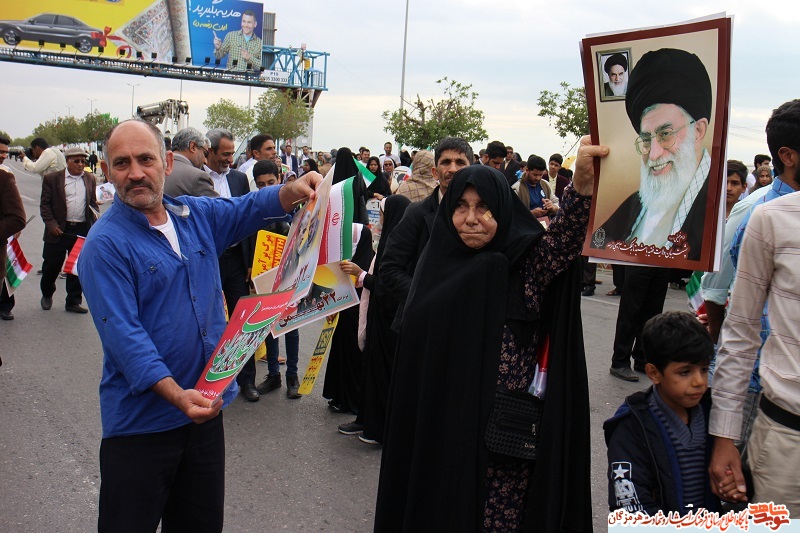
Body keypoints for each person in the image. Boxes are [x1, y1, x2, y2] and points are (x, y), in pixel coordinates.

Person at [78, 119, 320, 532]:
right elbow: (125, 338)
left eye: (146, 159)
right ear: (106, 171)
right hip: (142, 427)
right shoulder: (104, 245)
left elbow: (248, 208)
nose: (135, 173)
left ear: (168, 163)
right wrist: (177, 395)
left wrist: (291, 190)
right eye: (121, 163)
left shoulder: (194, 216)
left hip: (203, 415)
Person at [375, 138, 605, 531]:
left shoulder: (524, 266)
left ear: (502, 208)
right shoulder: (435, 270)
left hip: (502, 443)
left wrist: (581, 187)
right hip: (443, 436)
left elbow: (564, 243)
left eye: (483, 207)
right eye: (461, 207)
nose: (471, 218)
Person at [709, 99, 800, 513]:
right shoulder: (762, 215)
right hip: (780, 425)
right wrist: (724, 434)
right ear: (788, 155)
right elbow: (736, 320)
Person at [591, 48, 713, 262]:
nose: (654, 154)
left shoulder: (716, 207)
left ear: (698, 131)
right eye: (646, 139)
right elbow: (596, 247)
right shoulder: (637, 203)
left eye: (665, 134)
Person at [604, 311, 723, 515]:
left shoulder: (712, 411)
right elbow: (630, 503)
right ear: (654, 373)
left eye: (704, 369)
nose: (699, 382)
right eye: (685, 372)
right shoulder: (632, 426)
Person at [335, 195, 412, 442]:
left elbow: (391, 288)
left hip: (389, 322)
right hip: (378, 317)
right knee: (371, 369)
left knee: (382, 374)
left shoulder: (401, 247)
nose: (381, 220)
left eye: (383, 215)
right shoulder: (391, 241)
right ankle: (367, 421)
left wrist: (362, 276)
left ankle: (378, 428)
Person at [380, 137, 473, 332]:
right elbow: (389, 268)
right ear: (435, 172)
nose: (453, 169)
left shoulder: (482, 216)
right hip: (420, 323)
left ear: (472, 169)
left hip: (466, 323)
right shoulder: (417, 214)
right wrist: (427, 298)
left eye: (460, 162)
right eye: (446, 162)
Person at [204, 128, 260, 401]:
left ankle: (246, 380)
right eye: (225, 154)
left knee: (242, 321)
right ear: (209, 152)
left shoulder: (238, 179)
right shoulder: (197, 178)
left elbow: (248, 217)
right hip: (209, 260)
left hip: (237, 259)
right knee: (209, 319)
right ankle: (210, 381)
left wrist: (249, 261)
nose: (230, 159)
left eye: (231, 154)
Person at [322, 150, 373, 414]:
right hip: (355, 291)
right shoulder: (363, 229)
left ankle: (339, 394)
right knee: (352, 344)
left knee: (342, 343)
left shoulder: (332, 196)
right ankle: (350, 396)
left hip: (336, 289)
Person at [248, 161, 302, 399]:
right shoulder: (253, 208)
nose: (266, 188)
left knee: (291, 325)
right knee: (268, 326)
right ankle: (273, 375)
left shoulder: (295, 205)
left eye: (271, 182)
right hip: (264, 274)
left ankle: (292, 376)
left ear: (280, 178)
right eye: (261, 185)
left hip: (290, 273)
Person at [39, 146, 98, 314]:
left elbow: (92, 204)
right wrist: (52, 225)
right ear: (67, 162)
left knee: (76, 268)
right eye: (76, 161)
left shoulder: (90, 179)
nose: (80, 164)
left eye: (83, 161)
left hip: (80, 230)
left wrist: (95, 218)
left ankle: (73, 301)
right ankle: (47, 293)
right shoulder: (52, 179)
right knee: (51, 266)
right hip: (58, 230)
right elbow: (45, 206)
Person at [0, 135, 27, 321]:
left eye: (4, 152)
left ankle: (6, 305)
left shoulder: (4, 177)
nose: (3, 155)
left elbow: (17, 218)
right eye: (0, 152)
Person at [163, 127, 217, 198]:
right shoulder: (198, 177)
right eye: (205, 154)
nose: (205, 161)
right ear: (193, 147)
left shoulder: (157, 168)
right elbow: (216, 205)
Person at [511, 154, 559, 220]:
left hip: (545, 224)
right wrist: (531, 214)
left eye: (541, 175)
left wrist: (552, 207)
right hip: (527, 225)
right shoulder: (517, 188)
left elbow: (556, 202)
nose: (538, 178)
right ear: (527, 170)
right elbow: (512, 214)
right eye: (535, 175)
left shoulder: (546, 184)